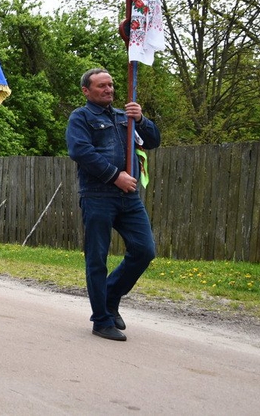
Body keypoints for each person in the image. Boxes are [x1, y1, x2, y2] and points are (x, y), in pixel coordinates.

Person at [66, 67, 161, 342]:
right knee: (97, 258)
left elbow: (153, 141)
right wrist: (114, 175)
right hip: (97, 196)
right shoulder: (80, 117)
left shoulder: (124, 116)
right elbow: (80, 151)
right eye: (101, 86)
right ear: (86, 91)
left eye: (110, 85)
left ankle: (110, 295)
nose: (108, 90)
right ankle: (101, 320)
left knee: (144, 250)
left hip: (128, 198)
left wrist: (141, 119)